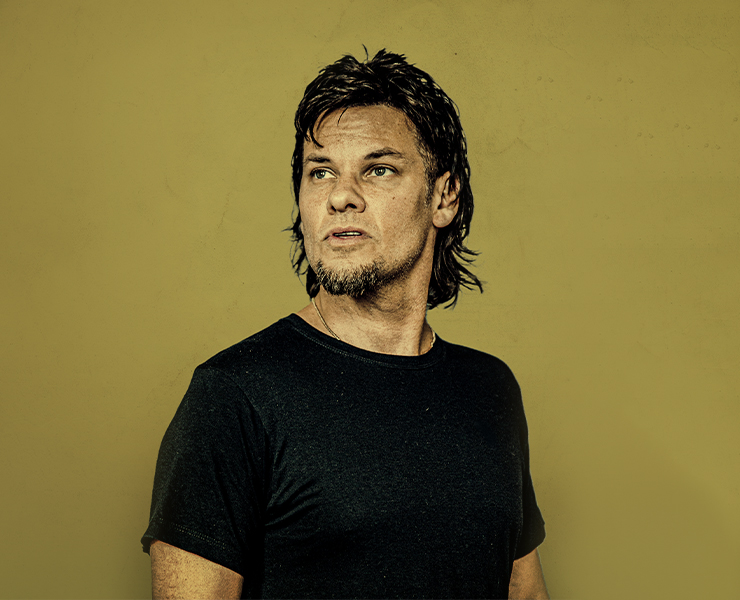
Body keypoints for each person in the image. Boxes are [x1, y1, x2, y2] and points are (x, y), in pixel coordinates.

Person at [142, 49, 549, 599]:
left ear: (444, 196)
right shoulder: (235, 395)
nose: (340, 196)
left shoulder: (490, 388)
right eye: (321, 172)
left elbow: (524, 592)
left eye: (378, 169)